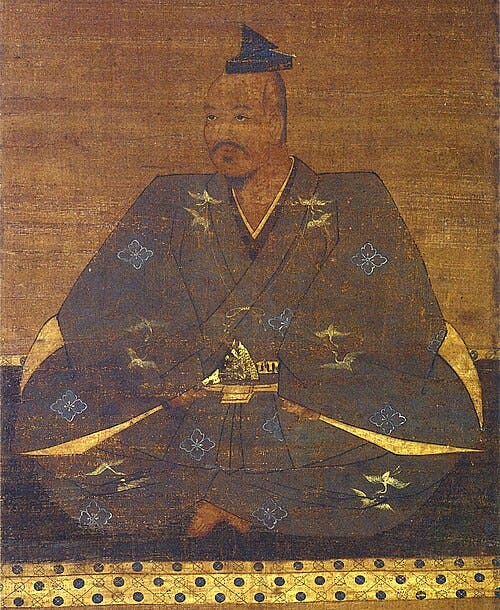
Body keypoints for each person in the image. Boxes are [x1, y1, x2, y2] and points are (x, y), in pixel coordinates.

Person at [14, 25, 482, 539]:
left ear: (277, 123)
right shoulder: (169, 200)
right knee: (55, 430)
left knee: (424, 436)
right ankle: (251, 502)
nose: (221, 134)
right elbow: (100, 308)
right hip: (192, 402)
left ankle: (220, 501)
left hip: (303, 407)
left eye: (240, 117)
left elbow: (398, 312)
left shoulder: (351, 200)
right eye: (211, 118)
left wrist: (303, 382)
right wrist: (174, 376)